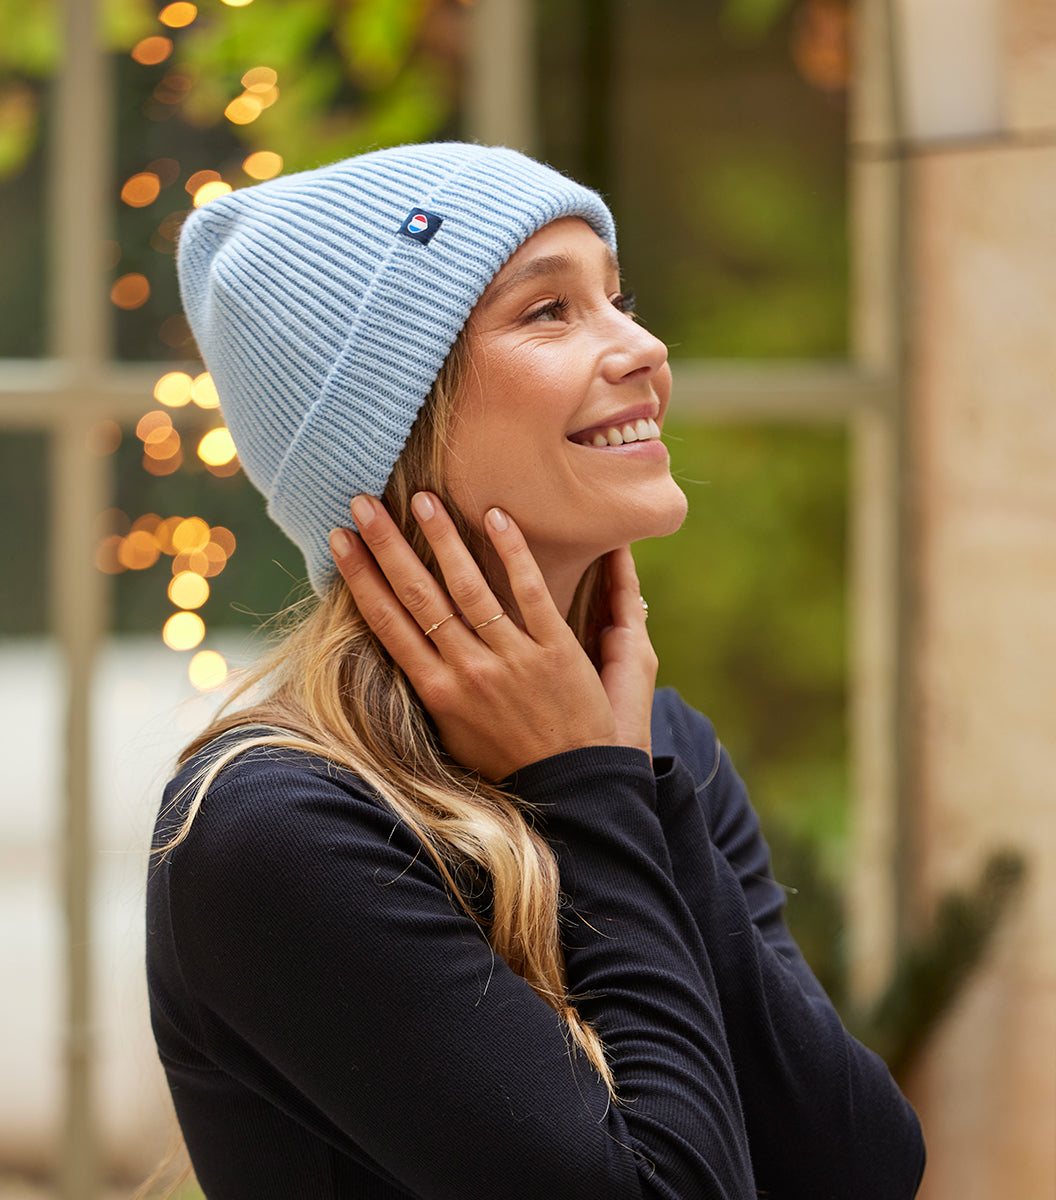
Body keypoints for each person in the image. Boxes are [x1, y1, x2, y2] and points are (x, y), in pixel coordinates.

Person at [148, 142, 925, 1199]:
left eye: (618, 297)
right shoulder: (276, 827)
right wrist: (587, 793)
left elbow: (858, 1171)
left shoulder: (653, 742)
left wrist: (609, 774)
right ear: (394, 424)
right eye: (547, 312)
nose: (645, 347)